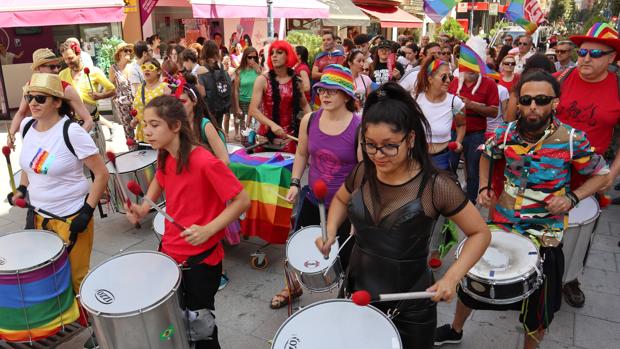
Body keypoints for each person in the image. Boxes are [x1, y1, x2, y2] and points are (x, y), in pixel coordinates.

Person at [435, 71, 609, 349]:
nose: (532, 107)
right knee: (472, 286)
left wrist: (573, 198)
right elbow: (486, 155)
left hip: (545, 234)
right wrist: (483, 187)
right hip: (502, 226)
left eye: (541, 100)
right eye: (526, 99)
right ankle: (456, 330)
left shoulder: (572, 139)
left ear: (555, 103)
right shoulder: (505, 134)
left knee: (540, 308)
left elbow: (603, 174)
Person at [316, 82, 491, 349]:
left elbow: (480, 233)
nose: (378, 155)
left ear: (410, 139)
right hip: (358, 289)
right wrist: (330, 230)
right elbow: (341, 198)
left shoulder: (436, 186)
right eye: (370, 145)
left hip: (409, 304)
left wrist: (452, 276)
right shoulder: (363, 171)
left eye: (389, 146)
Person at [125, 95, 250, 349]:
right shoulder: (165, 155)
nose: (147, 131)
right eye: (145, 124)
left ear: (176, 126)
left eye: (155, 124)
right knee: (173, 324)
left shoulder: (204, 160)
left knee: (201, 329)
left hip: (200, 262)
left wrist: (209, 229)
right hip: (169, 251)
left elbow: (242, 200)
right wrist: (144, 206)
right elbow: (160, 179)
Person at [6, 72, 108, 293]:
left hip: (70, 217)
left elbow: (101, 174)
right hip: (39, 217)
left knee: (76, 277)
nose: (32, 102)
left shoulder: (71, 132)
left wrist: (87, 212)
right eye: (30, 97)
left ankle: (90, 322)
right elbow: (30, 165)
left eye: (40, 98)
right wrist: (22, 189)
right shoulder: (27, 126)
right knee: (49, 277)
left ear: (57, 101)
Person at [270, 65, 362, 309]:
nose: (326, 95)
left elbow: (365, 173)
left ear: (347, 95)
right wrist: (295, 182)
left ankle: (346, 298)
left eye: (333, 91)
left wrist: (360, 212)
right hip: (313, 200)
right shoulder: (310, 120)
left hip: (346, 207)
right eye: (323, 90)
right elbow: (301, 153)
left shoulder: (359, 127)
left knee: (346, 256)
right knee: (297, 247)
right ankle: (293, 286)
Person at [554, 23, 620, 308]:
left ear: (612, 58)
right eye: (582, 52)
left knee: (582, 227)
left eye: (595, 53)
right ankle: (537, 273)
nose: (585, 58)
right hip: (550, 166)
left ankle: (571, 278)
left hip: (591, 173)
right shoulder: (562, 77)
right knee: (544, 221)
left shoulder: (618, 86)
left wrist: (612, 174)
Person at [414, 58, 466, 266]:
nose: (448, 80)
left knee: (441, 205)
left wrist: (459, 142)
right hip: (417, 159)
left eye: (450, 76)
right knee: (417, 203)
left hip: (443, 159)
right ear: (429, 78)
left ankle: (435, 249)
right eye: (443, 76)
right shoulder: (416, 99)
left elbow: (461, 124)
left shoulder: (455, 102)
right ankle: (415, 245)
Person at [7, 48, 93, 149]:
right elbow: (21, 112)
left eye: (57, 66)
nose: (56, 70)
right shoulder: (30, 86)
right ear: (38, 68)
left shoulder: (66, 89)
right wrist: (11, 134)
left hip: (63, 135)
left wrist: (72, 143)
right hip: (40, 139)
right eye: (52, 67)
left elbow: (88, 120)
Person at [249, 40, 311, 154]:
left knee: (287, 171)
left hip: (288, 138)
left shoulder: (297, 82)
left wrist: (312, 126)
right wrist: (272, 125)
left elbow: (305, 106)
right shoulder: (262, 80)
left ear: (288, 55)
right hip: (265, 138)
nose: (274, 56)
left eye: (279, 52)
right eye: (272, 53)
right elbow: (253, 110)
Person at [448, 68, 499, 203]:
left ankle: (470, 202)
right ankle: (449, 200)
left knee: (473, 170)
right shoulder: (453, 82)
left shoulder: (489, 84)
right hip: (454, 132)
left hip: (476, 134)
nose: (471, 69)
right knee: (449, 167)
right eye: (467, 66)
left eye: (474, 66)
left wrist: (471, 105)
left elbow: (494, 112)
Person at [59, 42, 116, 153]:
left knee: (98, 157)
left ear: (79, 54)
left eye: (70, 58)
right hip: (73, 125)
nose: (67, 62)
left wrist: (100, 95)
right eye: (65, 59)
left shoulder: (93, 71)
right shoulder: (62, 74)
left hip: (93, 123)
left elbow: (112, 89)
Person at [131, 58, 171, 143]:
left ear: (159, 71)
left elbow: (170, 112)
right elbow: (137, 109)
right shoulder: (140, 88)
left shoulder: (165, 87)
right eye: (144, 67)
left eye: (151, 67)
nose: (147, 70)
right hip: (143, 133)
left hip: (159, 134)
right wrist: (135, 120)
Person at [198, 40, 232, 130]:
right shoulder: (221, 66)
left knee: (209, 130)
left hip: (208, 107)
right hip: (221, 105)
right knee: (219, 128)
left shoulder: (202, 69)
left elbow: (202, 93)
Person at [109, 42, 136, 148]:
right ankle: (133, 152)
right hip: (122, 104)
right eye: (126, 50)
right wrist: (116, 99)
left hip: (135, 100)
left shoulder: (133, 66)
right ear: (119, 53)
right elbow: (111, 85)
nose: (128, 52)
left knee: (141, 127)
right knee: (128, 129)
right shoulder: (113, 68)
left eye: (130, 50)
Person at [233, 47, 262, 140]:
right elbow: (236, 90)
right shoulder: (239, 71)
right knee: (244, 128)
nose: (252, 60)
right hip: (243, 103)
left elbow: (265, 85)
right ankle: (245, 149)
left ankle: (252, 149)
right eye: (250, 57)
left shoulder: (258, 70)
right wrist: (237, 107)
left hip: (256, 103)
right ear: (245, 57)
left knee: (255, 128)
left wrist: (259, 71)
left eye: (255, 57)